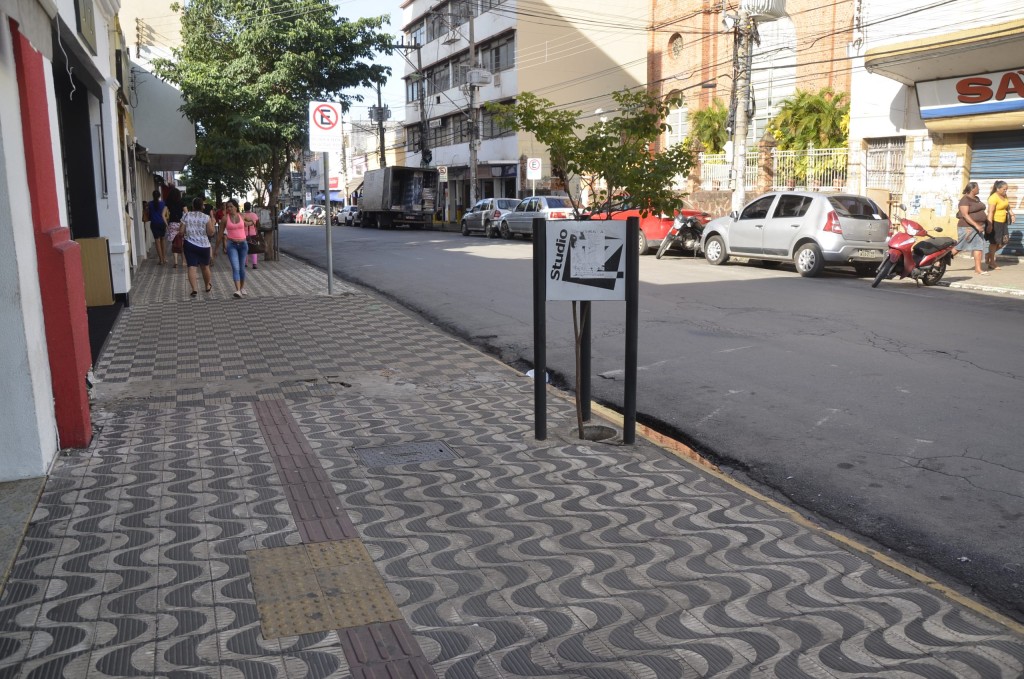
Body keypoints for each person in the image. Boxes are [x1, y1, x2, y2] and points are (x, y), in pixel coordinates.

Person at [950, 182, 989, 276]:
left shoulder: (976, 199)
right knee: (960, 246)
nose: (979, 189)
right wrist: (976, 225)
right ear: (972, 189)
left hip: (978, 227)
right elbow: (965, 215)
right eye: (977, 188)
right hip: (967, 227)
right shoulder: (964, 200)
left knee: (978, 247)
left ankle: (978, 269)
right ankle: (940, 260)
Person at [180, 197, 216, 297]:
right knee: (205, 267)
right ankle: (207, 286)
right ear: (202, 206)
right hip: (204, 245)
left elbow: (181, 231)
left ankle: (194, 289)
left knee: (192, 267)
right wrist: (213, 223)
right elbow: (211, 233)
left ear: (192, 206)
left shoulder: (186, 215)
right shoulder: (206, 217)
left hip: (189, 244)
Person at [220, 199, 249, 298]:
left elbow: (250, 221)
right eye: (227, 207)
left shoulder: (242, 216)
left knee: (242, 268)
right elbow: (220, 234)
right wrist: (216, 249)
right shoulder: (225, 218)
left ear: (236, 207)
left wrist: (252, 222)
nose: (229, 208)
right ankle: (238, 290)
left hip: (243, 244)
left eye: (231, 206)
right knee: (235, 268)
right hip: (231, 245)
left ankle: (242, 287)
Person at [985, 180, 1014, 271]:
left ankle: (989, 254)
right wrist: (989, 224)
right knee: (994, 242)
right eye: (1004, 189)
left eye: (1006, 189)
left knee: (1005, 241)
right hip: (995, 222)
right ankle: (992, 262)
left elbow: (1007, 206)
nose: (1005, 191)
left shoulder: (1004, 196)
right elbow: (990, 212)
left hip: (1003, 222)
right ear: (998, 189)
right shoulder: (993, 197)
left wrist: (1012, 214)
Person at [166, 187, 186, 269]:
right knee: (182, 243)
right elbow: (187, 213)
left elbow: (162, 215)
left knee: (174, 243)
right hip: (181, 224)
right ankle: (184, 261)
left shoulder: (168, 203)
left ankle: (176, 262)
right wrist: (182, 222)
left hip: (172, 224)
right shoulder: (182, 203)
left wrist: (167, 225)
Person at [148, 190, 170, 265]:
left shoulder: (150, 204)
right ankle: (164, 258)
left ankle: (160, 260)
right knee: (163, 240)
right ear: (159, 196)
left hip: (154, 223)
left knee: (157, 241)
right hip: (162, 223)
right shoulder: (163, 203)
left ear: (153, 196)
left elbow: (148, 213)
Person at [242, 201, 261, 269]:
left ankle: (245, 263)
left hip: (243, 234)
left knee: (244, 249)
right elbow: (258, 224)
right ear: (250, 207)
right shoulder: (254, 215)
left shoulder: (242, 215)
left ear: (244, 207)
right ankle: (254, 264)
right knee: (254, 249)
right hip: (253, 234)